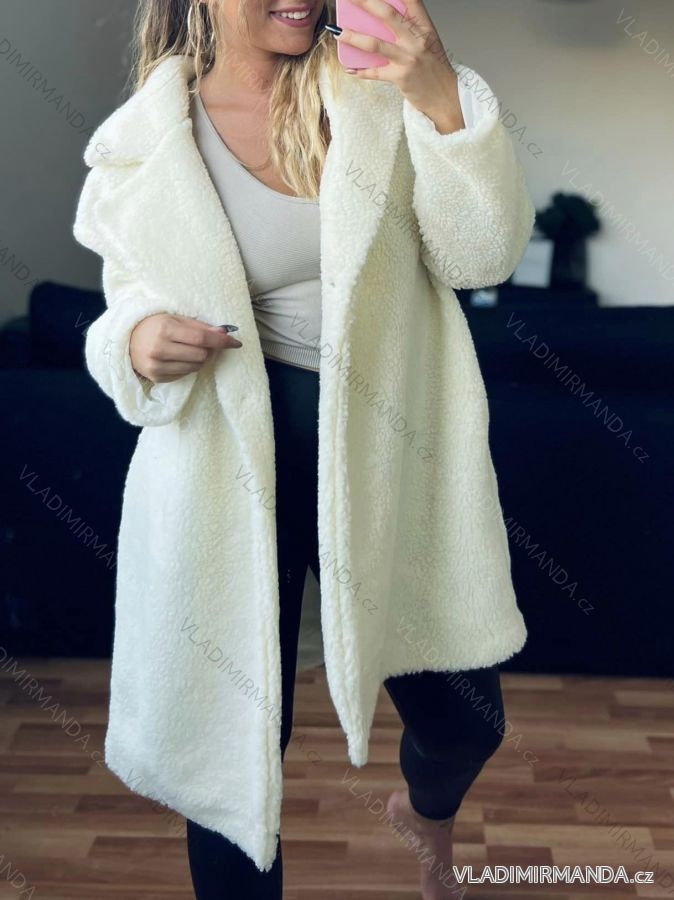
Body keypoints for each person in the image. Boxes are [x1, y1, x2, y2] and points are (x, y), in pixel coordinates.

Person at [73, 0, 535, 897]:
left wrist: (442, 98)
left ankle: (426, 814)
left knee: (466, 721)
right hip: (224, 477)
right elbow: (121, 304)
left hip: (391, 456)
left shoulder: (376, 97)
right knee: (233, 750)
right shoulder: (141, 145)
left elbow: (481, 258)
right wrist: (136, 340)